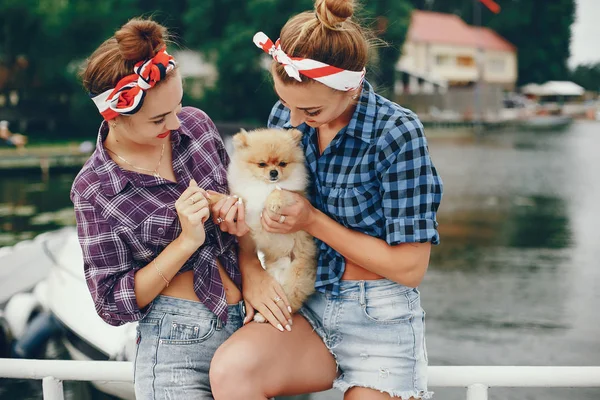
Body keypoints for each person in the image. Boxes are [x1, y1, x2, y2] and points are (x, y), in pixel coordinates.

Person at [208, 0, 443, 399]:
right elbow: (251, 204)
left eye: (310, 109)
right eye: (287, 103)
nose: (294, 120)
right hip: (305, 303)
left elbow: (409, 267)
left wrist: (312, 221)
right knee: (233, 372)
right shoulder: (286, 119)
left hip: (378, 318)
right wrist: (253, 270)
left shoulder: (397, 133)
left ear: (350, 87)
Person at [70, 18, 248, 399]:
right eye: (157, 119)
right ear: (113, 114)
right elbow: (111, 303)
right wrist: (184, 241)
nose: (176, 122)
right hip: (175, 345)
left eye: (178, 106)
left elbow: (243, 217)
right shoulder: (95, 188)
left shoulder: (197, 126)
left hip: (249, 324)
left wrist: (235, 215)